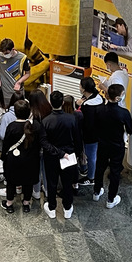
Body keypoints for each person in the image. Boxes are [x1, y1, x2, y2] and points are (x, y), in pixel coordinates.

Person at [93, 84, 132, 209]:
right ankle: (111, 199)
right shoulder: (123, 113)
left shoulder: (99, 110)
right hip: (117, 146)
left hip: (102, 144)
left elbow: (95, 126)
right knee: (115, 171)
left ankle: (97, 191)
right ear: (117, 98)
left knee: (100, 167)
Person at [41, 91, 83, 219]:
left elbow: (44, 142)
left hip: (51, 157)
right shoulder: (71, 119)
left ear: (50, 102)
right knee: (67, 183)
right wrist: (76, 154)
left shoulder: (46, 121)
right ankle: (67, 207)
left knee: (52, 183)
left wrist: (58, 152)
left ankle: (52, 207)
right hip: (69, 156)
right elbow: (78, 139)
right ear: (62, 102)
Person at [0, 100, 41, 214]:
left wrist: (3, 158)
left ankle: (9, 204)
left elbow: (6, 145)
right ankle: (26, 203)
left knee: (11, 182)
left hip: (14, 160)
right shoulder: (34, 126)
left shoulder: (11, 127)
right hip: (31, 160)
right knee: (28, 182)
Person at [0, 91, 26, 198]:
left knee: (11, 172)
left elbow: (3, 135)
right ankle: (21, 189)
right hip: (25, 150)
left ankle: (10, 196)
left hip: (11, 150)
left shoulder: (7, 116)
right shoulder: (29, 114)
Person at [76, 77, 104, 186]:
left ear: (84, 89)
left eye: (80, 86)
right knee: (93, 155)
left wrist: (79, 105)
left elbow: (85, 123)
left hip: (90, 135)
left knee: (91, 156)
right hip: (100, 132)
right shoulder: (99, 98)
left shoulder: (87, 106)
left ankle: (91, 178)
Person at [28, 89, 52, 199]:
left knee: (36, 169)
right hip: (48, 145)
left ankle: (36, 192)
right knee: (47, 170)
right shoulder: (49, 110)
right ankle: (47, 190)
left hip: (35, 147)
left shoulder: (32, 115)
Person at [0, 38, 30, 106]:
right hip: (4, 92)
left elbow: (27, 74)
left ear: (13, 49)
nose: (4, 55)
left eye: (6, 53)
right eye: (3, 53)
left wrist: (19, 82)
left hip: (17, 92)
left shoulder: (22, 58)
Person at [62, 95, 84, 194]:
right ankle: (75, 185)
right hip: (76, 144)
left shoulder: (62, 117)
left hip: (64, 145)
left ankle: (66, 185)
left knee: (65, 166)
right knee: (75, 165)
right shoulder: (78, 115)